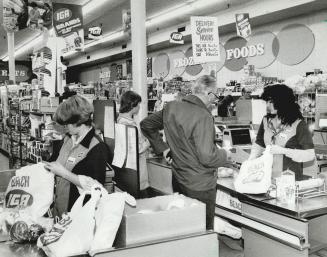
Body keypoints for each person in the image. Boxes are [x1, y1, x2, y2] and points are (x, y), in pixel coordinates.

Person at [141, 75, 230, 230]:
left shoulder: (172, 107)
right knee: (203, 230)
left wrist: (163, 148)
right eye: (215, 95)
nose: (215, 100)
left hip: (179, 178)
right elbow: (207, 157)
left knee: (184, 225)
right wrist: (225, 155)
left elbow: (146, 124)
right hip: (200, 184)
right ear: (208, 93)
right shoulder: (203, 116)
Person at [44, 95, 111, 216]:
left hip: (79, 214)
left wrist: (64, 173)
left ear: (78, 121)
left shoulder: (97, 147)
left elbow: (96, 187)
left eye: (67, 124)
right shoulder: (68, 139)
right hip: (60, 211)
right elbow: (54, 160)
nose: (64, 128)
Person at [249, 84, 315, 180]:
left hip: (289, 180)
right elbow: (259, 144)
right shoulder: (266, 120)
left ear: (282, 101)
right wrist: (251, 159)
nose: (267, 105)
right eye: (267, 101)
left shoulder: (298, 124)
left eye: (270, 101)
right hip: (266, 177)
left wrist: (284, 151)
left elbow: (310, 155)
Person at [117, 91, 151, 196]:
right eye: (138, 105)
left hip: (126, 170)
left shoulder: (120, 120)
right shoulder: (128, 124)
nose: (139, 107)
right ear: (132, 105)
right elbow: (137, 149)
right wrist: (149, 142)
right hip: (135, 169)